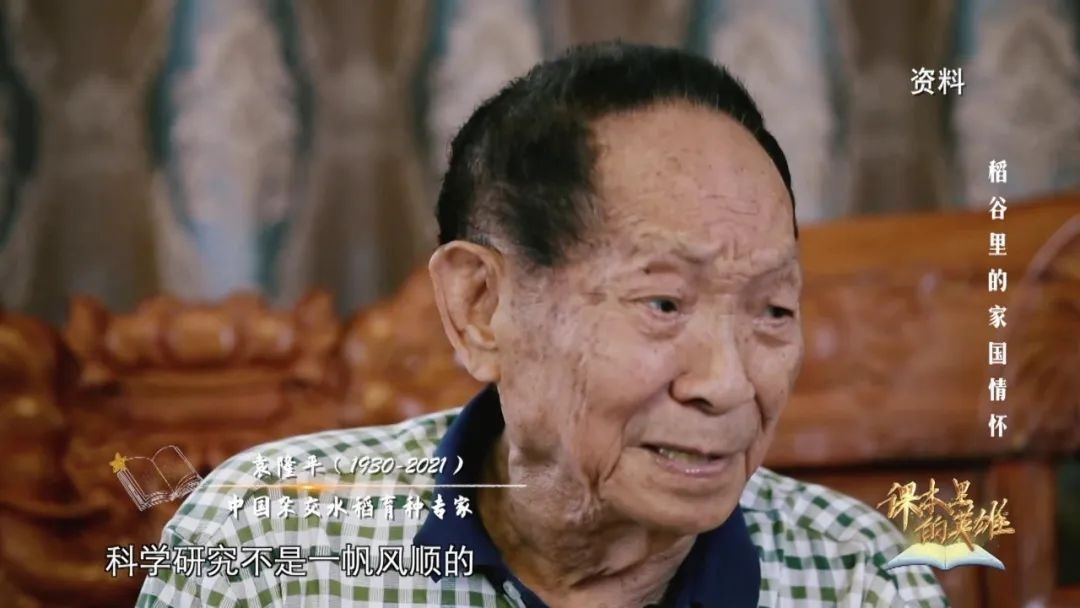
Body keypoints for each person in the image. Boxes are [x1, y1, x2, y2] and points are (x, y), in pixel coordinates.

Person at [137, 41, 948, 607]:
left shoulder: (863, 581)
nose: (729, 384)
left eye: (773, 310)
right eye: (663, 304)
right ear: (480, 308)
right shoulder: (264, 548)